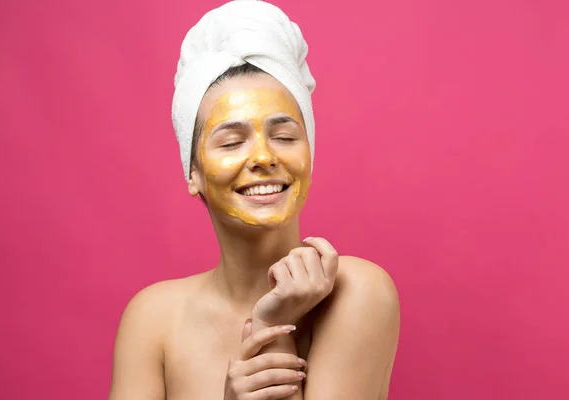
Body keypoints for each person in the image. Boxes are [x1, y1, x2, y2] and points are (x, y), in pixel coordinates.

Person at [108, 1, 400, 399]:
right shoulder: (152, 319)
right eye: (231, 141)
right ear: (192, 172)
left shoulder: (356, 292)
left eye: (284, 136)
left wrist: (273, 326)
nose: (264, 157)